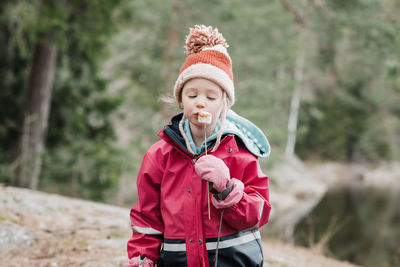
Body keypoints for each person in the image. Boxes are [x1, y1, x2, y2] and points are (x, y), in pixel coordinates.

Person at [124, 25, 271, 267]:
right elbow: (146, 217)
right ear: (181, 100)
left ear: (224, 102)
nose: (200, 103)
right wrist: (143, 257)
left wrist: (227, 190)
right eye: (192, 95)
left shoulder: (241, 152)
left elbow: (259, 214)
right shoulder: (159, 156)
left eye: (210, 97)